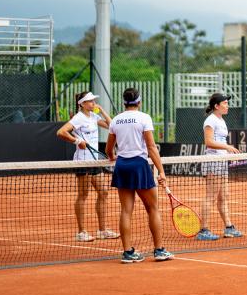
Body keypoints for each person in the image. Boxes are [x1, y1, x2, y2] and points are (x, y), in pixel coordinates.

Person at [105, 87, 173, 263]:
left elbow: (108, 149)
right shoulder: (144, 118)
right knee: (153, 208)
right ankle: (159, 250)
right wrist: (162, 171)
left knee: (126, 211)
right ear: (139, 102)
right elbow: (151, 147)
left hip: (121, 166)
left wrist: (112, 157)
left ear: (124, 102)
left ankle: (128, 252)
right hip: (139, 165)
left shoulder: (116, 120)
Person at [56, 91, 118, 242]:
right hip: (82, 162)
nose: (93, 103)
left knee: (103, 192)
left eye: (93, 101)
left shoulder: (94, 117)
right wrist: (77, 141)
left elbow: (112, 126)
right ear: (82, 104)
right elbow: (61, 132)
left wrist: (101, 110)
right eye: (90, 101)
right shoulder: (78, 118)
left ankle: (102, 230)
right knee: (83, 195)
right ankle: (81, 232)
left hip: (94, 161)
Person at [196, 92, 243, 241]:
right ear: (216, 106)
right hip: (213, 161)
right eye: (225, 103)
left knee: (224, 196)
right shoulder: (210, 121)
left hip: (222, 161)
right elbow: (209, 142)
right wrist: (227, 147)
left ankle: (229, 227)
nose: (227, 106)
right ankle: (203, 230)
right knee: (211, 196)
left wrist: (226, 152)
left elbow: (219, 141)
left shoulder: (221, 120)